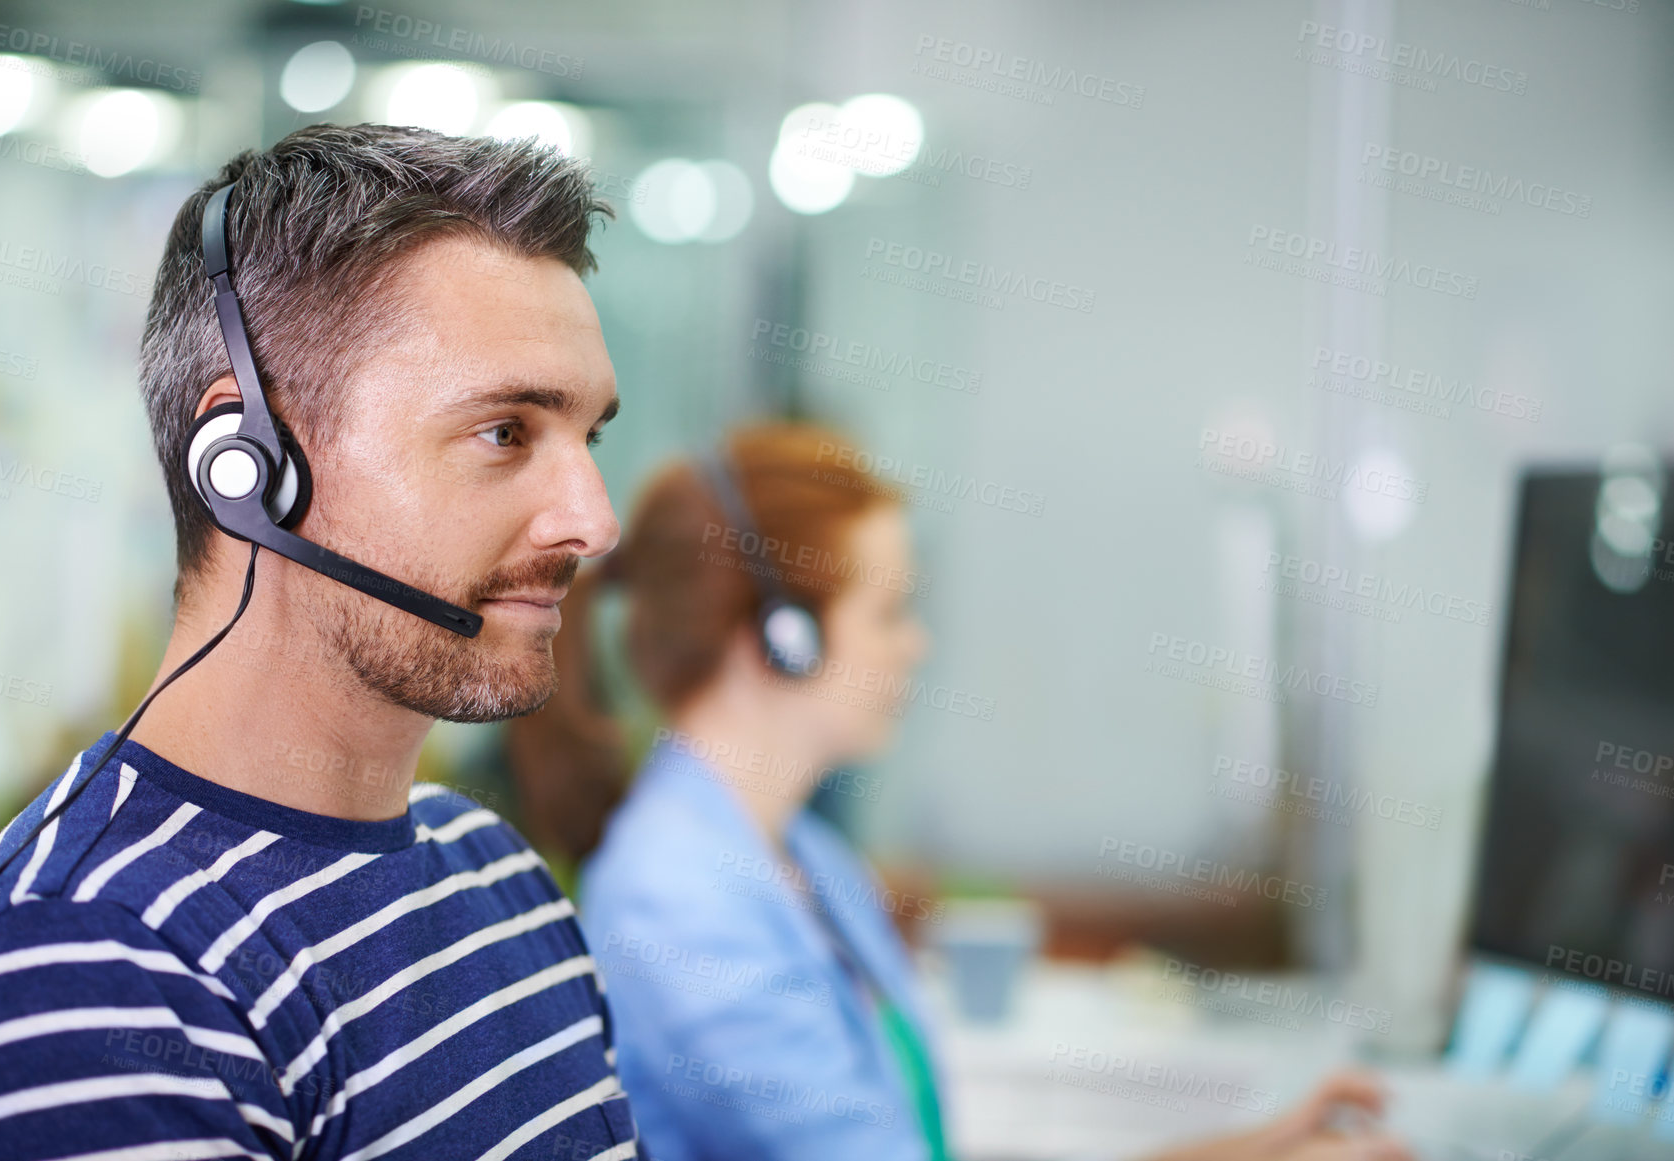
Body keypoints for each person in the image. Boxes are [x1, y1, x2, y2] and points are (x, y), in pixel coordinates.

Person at [0, 124, 649, 1160]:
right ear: (247, 464)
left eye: (585, 439)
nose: (593, 522)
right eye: (505, 431)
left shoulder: (492, 875)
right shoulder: (91, 968)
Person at [510, 422, 1414, 1161]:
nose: (915, 647)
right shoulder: (681, 906)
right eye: (890, 610)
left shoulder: (803, 859)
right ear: (781, 637)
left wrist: (1252, 1149)